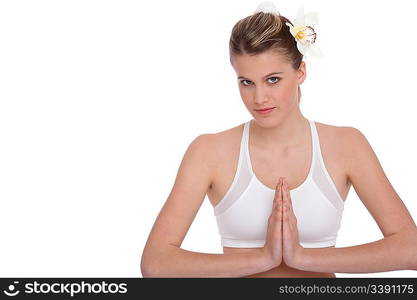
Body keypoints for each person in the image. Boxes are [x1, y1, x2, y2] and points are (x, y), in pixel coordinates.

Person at [140, 2, 417, 277]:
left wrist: (303, 257)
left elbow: (410, 249)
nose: (259, 98)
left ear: (301, 72)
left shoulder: (346, 146)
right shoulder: (209, 152)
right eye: (246, 82)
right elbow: (156, 263)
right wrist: (262, 259)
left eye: (272, 79)